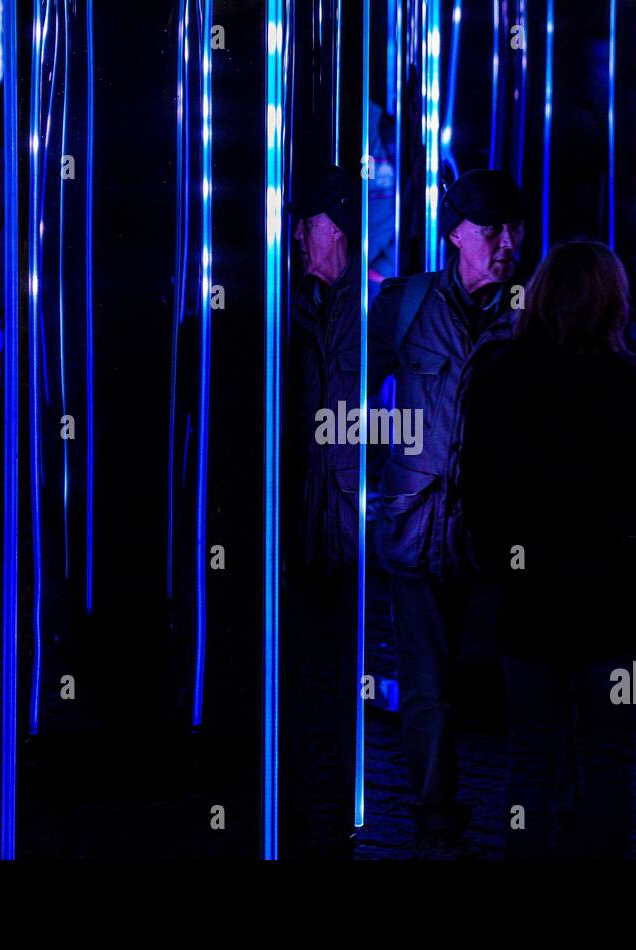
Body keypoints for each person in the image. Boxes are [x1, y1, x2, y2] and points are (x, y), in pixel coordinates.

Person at [458, 240, 636, 859]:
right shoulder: (629, 388)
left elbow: (477, 487)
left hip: (531, 604)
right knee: (607, 762)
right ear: (612, 305)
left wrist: (501, 564)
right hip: (610, 607)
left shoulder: (500, 375)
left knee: (530, 760)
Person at [367, 168, 527, 857]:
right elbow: (350, 391)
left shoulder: (534, 314)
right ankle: (436, 820)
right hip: (416, 527)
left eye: (514, 231)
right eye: (490, 231)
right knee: (428, 688)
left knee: (526, 687)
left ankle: (537, 821)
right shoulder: (404, 305)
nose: (506, 245)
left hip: (499, 537)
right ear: (453, 234)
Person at [281, 164, 363, 859]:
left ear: (334, 229)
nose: (299, 237)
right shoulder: (294, 309)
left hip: (343, 526)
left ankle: (331, 818)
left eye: (308, 226)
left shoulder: (372, 311)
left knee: (333, 680)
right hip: (305, 525)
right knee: (303, 679)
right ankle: (308, 814)